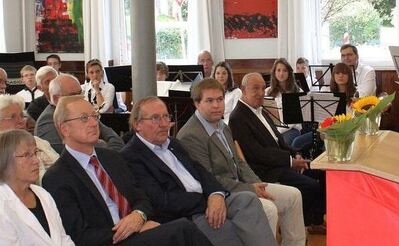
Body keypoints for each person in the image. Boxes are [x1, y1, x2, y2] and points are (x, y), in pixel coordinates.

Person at [42, 96, 212, 246]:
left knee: (182, 229)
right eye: (84, 118)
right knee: (183, 230)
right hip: (110, 240)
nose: (94, 123)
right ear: (64, 129)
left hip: (138, 230)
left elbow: (141, 198)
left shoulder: (111, 158)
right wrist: (132, 230)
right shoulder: (57, 177)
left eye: (95, 116)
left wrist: (139, 215)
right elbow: (78, 235)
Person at [122, 96, 275, 246]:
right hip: (187, 214)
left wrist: (216, 194)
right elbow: (161, 200)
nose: (164, 124)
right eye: (155, 118)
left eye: (166, 117)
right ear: (137, 124)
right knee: (228, 229)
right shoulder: (131, 156)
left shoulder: (173, 143)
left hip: (208, 199)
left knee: (248, 200)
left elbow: (201, 172)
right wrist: (207, 201)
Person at [177, 79, 306, 246]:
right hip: (219, 195)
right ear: (196, 103)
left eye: (220, 99)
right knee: (268, 209)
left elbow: (238, 161)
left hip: (242, 186)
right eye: (209, 101)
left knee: (293, 196)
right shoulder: (191, 135)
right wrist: (250, 188)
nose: (216, 105)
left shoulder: (222, 126)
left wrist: (256, 183)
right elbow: (208, 179)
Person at [229, 73, 326, 234]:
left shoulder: (261, 110)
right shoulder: (237, 117)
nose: (261, 93)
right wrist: (289, 162)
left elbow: (279, 140)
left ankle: (314, 220)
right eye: (255, 89)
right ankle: (303, 224)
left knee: (324, 175)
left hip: (279, 163)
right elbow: (256, 153)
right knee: (311, 186)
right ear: (243, 90)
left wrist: (295, 155)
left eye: (262, 88)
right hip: (267, 170)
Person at [0, 129, 75, 245]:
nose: (36, 161)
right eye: (26, 155)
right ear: (5, 161)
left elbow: (63, 238)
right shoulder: (2, 204)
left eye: (35, 153)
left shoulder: (42, 194)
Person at [35, 73, 124, 152]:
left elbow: (113, 137)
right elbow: (65, 155)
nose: (79, 99)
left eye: (80, 93)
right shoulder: (47, 120)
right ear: (56, 99)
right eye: (73, 95)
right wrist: (102, 144)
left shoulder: (85, 112)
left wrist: (112, 155)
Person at [0, 94, 59, 183]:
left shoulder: (39, 142)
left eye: (22, 116)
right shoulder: (3, 152)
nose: (21, 121)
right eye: (12, 117)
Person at [265, 58, 302, 145]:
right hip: (273, 129)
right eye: (278, 70)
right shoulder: (267, 91)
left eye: (284, 70)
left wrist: (278, 131)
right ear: (274, 72)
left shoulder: (297, 91)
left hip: (292, 129)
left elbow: (293, 122)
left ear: (289, 73)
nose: (281, 73)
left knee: (282, 143)